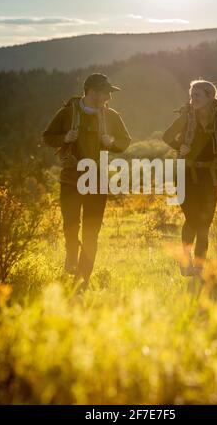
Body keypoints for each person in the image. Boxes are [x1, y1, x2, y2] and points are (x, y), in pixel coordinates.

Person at [42, 73, 131, 289]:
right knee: (70, 226)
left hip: (98, 179)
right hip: (71, 178)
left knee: (91, 232)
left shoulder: (111, 116)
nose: (109, 96)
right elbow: (46, 137)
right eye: (105, 91)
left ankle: (83, 280)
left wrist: (111, 143)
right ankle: (71, 253)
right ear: (91, 91)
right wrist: (64, 138)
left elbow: (125, 142)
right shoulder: (68, 113)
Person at [163, 79, 217, 277]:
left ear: (210, 97)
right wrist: (180, 147)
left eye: (197, 95)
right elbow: (167, 136)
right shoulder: (186, 118)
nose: (192, 99)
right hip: (186, 175)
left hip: (209, 177)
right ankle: (186, 262)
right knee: (193, 219)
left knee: (205, 222)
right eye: (191, 95)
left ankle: (199, 267)